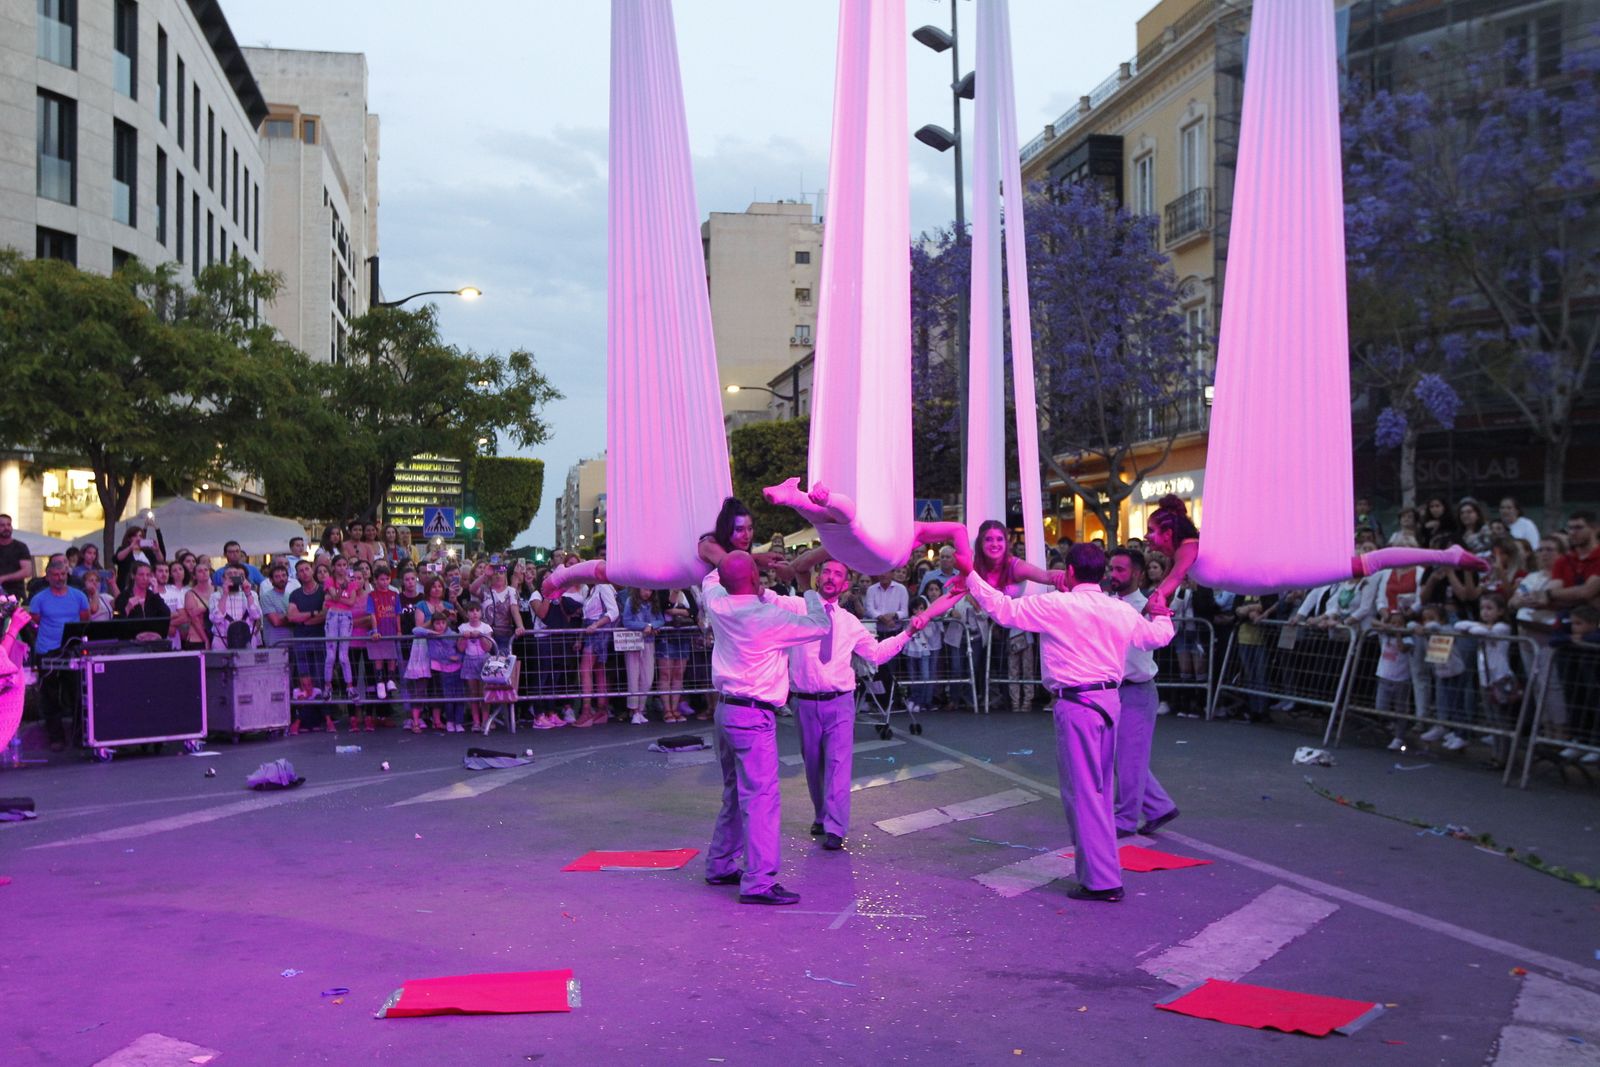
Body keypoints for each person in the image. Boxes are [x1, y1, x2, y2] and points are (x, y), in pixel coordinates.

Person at [959, 544, 1174, 903]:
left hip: (1078, 704)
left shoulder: (1057, 605)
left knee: (1084, 794)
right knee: (1100, 792)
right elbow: (1157, 637)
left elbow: (1003, 610)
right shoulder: (1116, 608)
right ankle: (1103, 873)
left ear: (1070, 572)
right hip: (1109, 701)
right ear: (1100, 573)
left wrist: (971, 576)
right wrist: (1162, 613)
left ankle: (1101, 880)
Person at [774, 557, 946, 849]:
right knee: (813, 764)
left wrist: (908, 633)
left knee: (839, 765)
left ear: (844, 585)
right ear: (818, 579)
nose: (829, 577)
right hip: (804, 701)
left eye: (837, 574)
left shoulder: (850, 623)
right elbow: (764, 598)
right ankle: (821, 814)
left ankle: (835, 828)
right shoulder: (798, 607)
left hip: (840, 701)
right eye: (825, 572)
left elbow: (876, 654)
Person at [701, 551, 831, 905]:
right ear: (758, 581)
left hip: (726, 710)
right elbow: (820, 625)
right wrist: (806, 585)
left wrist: (749, 558)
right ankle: (758, 881)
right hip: (754, 715)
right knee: (761, 799)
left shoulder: (719, 604)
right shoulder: (766, 616)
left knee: (734, 792)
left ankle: (721, 864)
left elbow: (710, 578)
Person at [1146, 494, 1486, 606]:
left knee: (1368, 563)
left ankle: (1447, 556)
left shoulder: (1189, 548)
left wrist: (1151, 605)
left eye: (1152, 531)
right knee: (1368, 563)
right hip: (1273, 573)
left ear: (1169, 531)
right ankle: (1448, 556)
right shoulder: (1189, 549)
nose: (1148, 538)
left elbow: (1173, 579)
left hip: (1280, 571)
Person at [1104, 548, 1179, 839]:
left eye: (1121, 569)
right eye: (1112, 568)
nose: (1114, 574)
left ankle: (1124, 820)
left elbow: (1159, 638)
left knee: (1129, 759)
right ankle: (1159, 806)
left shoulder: (1148, 605)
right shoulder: (1106, 602)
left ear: (1137, 573)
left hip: (1137, 690)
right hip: (1112, 689)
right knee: (1120, 758)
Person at [27, 556, 89, 751]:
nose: (60, 578)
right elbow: (34, 621)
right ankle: (56, 737)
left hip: (71, 650)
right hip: (47, 651)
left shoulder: (79, 596)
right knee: (50, 696)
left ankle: (80, 736)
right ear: (47, 577)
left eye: (63, 574)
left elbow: (85, 620)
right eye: (55, 574)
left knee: (78, 694)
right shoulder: (39, 599)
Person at [620, 588, 665, 725]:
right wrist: (645, 626)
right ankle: (634, 711)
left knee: (647, 678)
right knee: (633, 676)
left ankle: (641, 708)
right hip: (634, 642)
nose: (647, 593)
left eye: (650, 590)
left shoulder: (654, 603)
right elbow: (627, 621)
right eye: (645, 590)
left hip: (648, 642)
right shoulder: (630, 601)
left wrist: (651, 625)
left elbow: (661, 620)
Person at [1544, 512, 1600, 611]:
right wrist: (1551, 595)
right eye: (1570, 528)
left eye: (1578, 528)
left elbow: (1585, 593)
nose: (1572, 532)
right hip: (1567, 618)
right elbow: (1550, 593)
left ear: (1595, 529)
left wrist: (1551, 595)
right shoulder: (1563, 560)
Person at [456, 599, 495, 733]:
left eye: (477, 611)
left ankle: (485, 720)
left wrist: (481, 636)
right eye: (471, 611)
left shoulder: (485, 627)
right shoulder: (463, 627)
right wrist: (464, 638)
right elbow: (460, 648)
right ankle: (476, 721)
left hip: (483, 660)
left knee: (484, 692)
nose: (474, 614)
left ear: (481, 612)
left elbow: (488, 647)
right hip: (469, 660)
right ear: (467, 614)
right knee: (473, 693)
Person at [112, 561, 170, 641]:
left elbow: (166, 614)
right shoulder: (123, 597)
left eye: (148, 575)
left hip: (153, 641)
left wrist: (156, 592)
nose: (145, 578)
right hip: (131, 642)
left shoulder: (153, 596)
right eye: (141, 575)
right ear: (133, 576)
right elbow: (115, 619)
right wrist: (127, 608)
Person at [209, 563, 261, 650]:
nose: (233, 577)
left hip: (247, 639)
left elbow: (256, 616)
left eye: (236, 574)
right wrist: (225, 594)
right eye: (229, 574)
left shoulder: (252, 595)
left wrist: (248, 593)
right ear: (223, 579)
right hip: (222, 640)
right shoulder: (215, 596)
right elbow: (216, 618)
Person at [259, 562, 294, 647]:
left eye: (284, 575)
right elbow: (276, 622)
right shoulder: (267, 597)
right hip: (275, 644)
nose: (281, 579)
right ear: (271, 580)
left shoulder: (290, 596)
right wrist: (294, 618)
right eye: (277, 577)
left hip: (291, 642)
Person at [0, 514, 31, 599]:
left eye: (9, 524)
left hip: (16, 595)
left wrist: (3, 578)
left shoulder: (21, 547)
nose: (6, 528)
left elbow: (27, 571)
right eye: (2, 525)